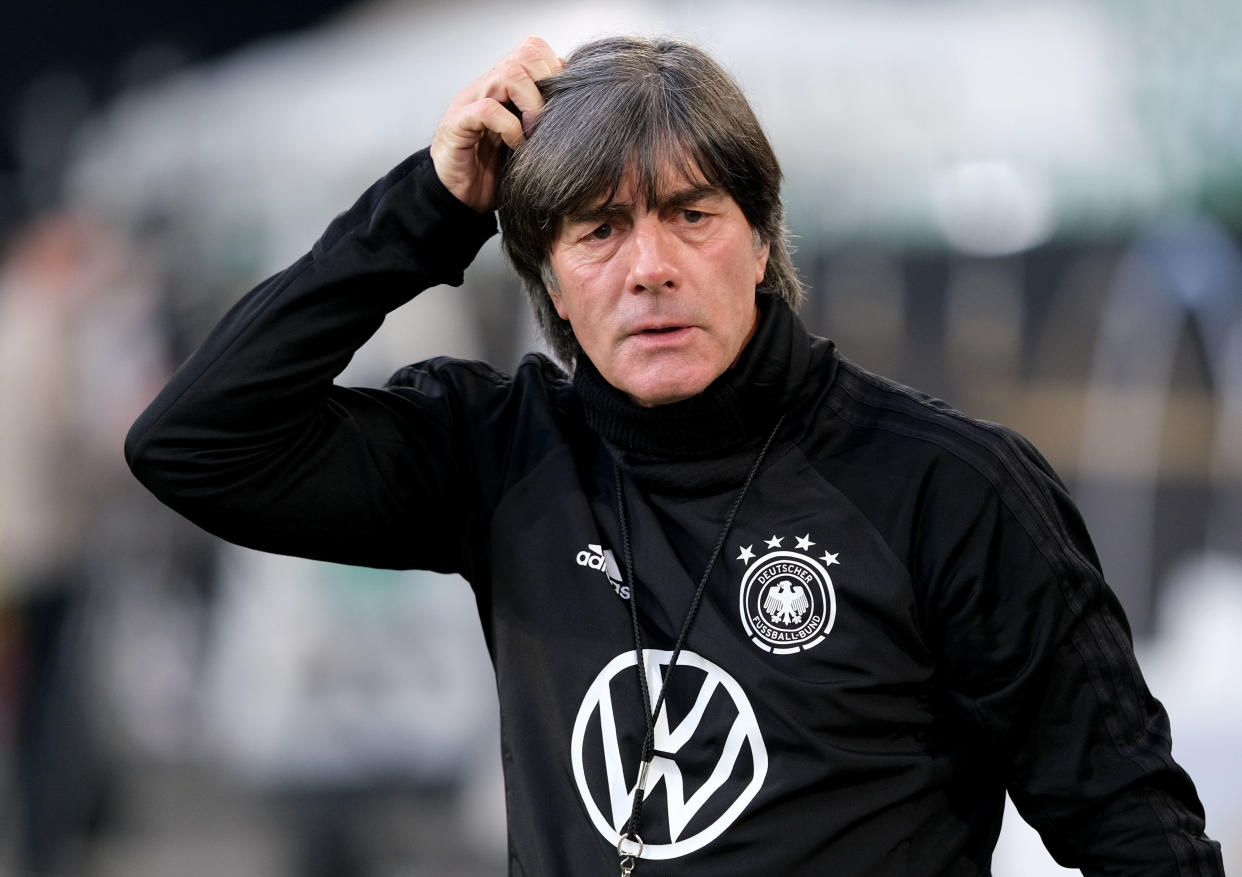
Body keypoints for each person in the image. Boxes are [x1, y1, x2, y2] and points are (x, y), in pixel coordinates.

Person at [125, 35, 1224, 876]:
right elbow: (196, 440)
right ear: (548, 277)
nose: (649, 266)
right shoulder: (502, 457)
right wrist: (425, 208)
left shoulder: (952, 488)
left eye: (691, 214)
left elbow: (1140, 835)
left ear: (760, 240)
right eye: (598, 230)